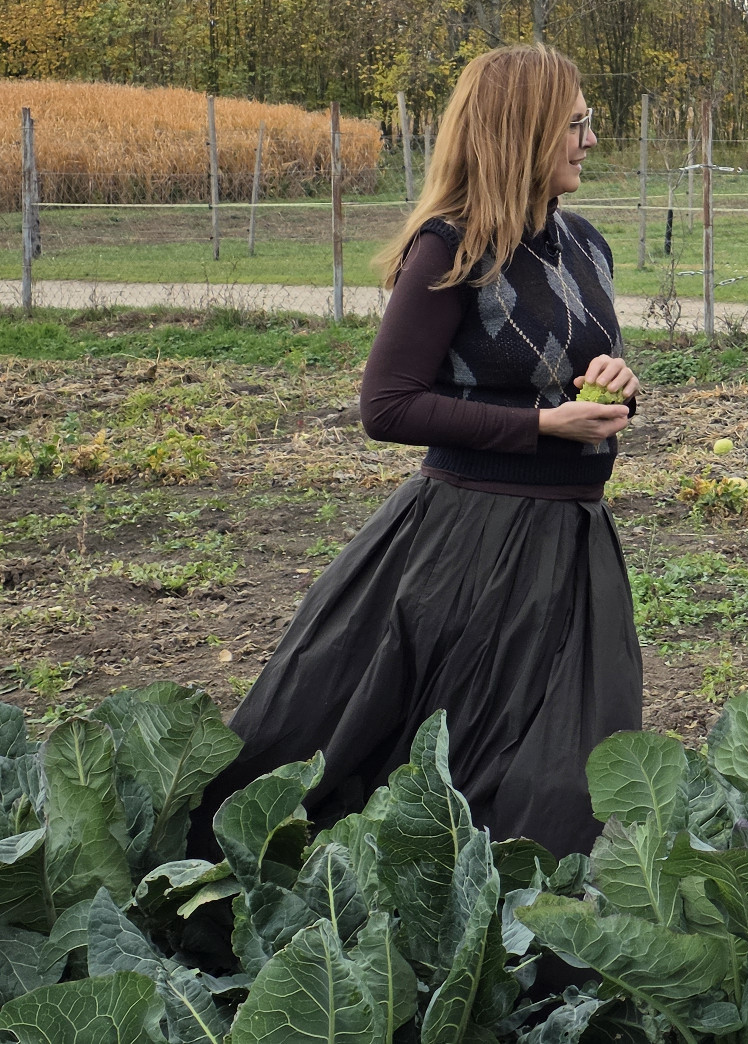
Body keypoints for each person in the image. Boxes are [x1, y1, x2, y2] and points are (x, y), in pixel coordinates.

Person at [194, 46, 642, 858]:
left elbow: (570, 377)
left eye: (587, 121)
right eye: (575, 122)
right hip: (473, 547)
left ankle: (537, 947)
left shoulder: (586, 246)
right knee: (446, 764)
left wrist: (615, 386)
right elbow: (388, 405)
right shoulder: (450, 250)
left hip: (573, 542)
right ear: (525, 129)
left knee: (574, 770)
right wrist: (540, 428)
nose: (589, 138)